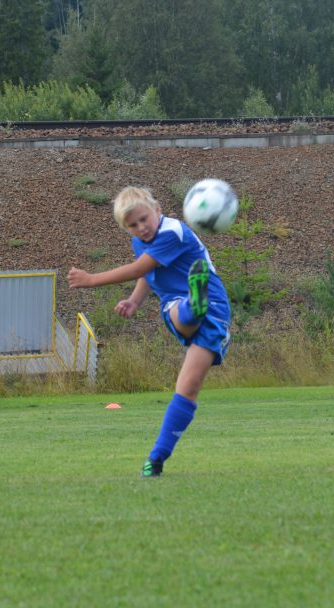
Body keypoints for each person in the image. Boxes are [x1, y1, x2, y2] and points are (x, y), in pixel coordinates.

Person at [67, 186, 231, 477]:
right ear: (125, 227)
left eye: (144, 219)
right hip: (190, 305)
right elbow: (148, 273)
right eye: (133, 225)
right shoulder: (143, 242)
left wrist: (92, 279)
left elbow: (139, 267)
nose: (141, 228)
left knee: (180, 320)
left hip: (210, 306)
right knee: (188, 387)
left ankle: (195, 303)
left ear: (157, 210)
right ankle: (156, 460)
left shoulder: (171, 232)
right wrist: (134, 300)